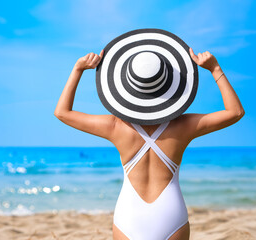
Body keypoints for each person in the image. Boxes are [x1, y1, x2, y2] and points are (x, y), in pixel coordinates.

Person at [54, 46, 245, 239]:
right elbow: (235, 112)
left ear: (127, 88)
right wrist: (215, 69)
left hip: (129, 215)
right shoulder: (184, 126)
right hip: (170, 213)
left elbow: (62, 112)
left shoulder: (115, 126)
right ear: (169, 85)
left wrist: (78, 69)